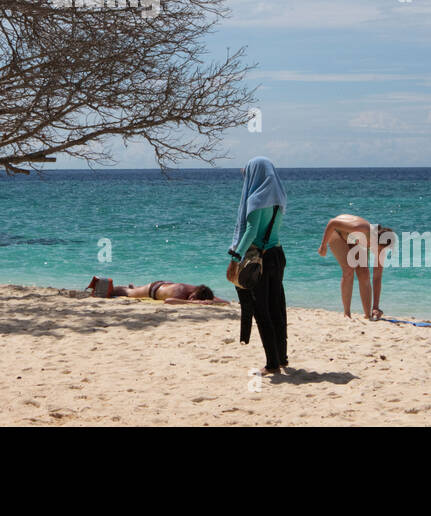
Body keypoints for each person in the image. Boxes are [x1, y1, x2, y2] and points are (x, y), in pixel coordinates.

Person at [226, 156, 288, 375]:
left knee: (262, 311)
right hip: (278, 255)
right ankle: (282, 358)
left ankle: (272, 364)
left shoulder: (255, 199)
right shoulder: (279, 197)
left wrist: (235, 257)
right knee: (277, 308)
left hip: (258, 260)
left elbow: (251, 231)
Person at [318, 214, 395, 319]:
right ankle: (347, 314)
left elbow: (377, 277)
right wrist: (323, 245)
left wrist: (376, 307)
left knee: (364, 274)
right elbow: (332, 222)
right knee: (349, 269)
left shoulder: (381, 248)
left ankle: (368, 315)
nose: (380, 252)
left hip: (353, 239)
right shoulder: (362, 228)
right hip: (337, 232)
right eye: (380, 249)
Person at [85, 276, 227, 304]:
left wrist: (214, 301)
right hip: (153, 290)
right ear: (194, 293)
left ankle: (133, 286)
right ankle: (104, 284)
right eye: (192, 298)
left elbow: (224, 302)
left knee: (133, 290)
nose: (191, 300)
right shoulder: (181, 293)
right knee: (128, 294)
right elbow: (169, 301)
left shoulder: (198, 290)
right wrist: (195, 303)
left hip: (164, 284)